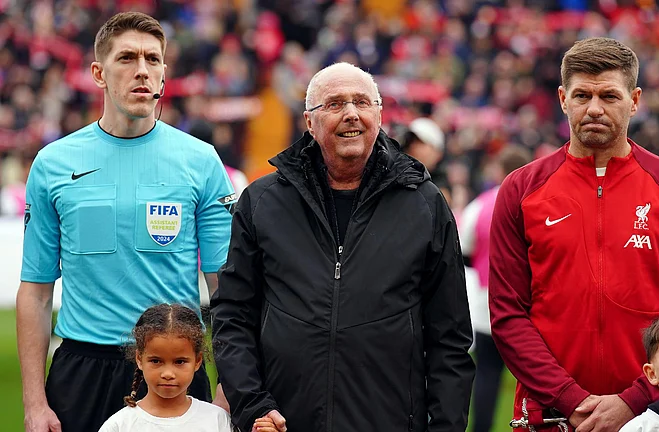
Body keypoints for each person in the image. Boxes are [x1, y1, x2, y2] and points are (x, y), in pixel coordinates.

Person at [211, 62, 475, 432]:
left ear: (379, 115)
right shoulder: (263, 201)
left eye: (362, 102)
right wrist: (253, 405)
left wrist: (445, 427)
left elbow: (450, 336)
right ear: (309, 122)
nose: (351, 113)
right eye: (335, 104)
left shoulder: (425, 204)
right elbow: (233, 315)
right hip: (283, 423)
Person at [17, 12, 235, 432]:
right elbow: (37, 292)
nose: (142, 70)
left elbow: (226, 289)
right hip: (83, 369)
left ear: (164, 75)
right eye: (128, 58)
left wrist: (230, 384)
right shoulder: (54, 164)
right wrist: (33, 403)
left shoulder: (201, 161)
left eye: (153, 60)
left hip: (175, 366)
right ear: (98, 73)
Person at [489, 37, 659, 432]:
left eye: (609, 95)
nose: (594, 108)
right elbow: (508, 316)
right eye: (582, 95)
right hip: (551, 415)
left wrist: (631, 401)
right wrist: (569, 398)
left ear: (635, 100)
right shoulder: (521, 189)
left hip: (651, 416)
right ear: (563, 98)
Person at [459, 145, 531, 432]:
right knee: (532, 375)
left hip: (487, 302)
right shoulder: (535, 202)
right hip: (527, 303)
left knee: (487, 373)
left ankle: (481, 429)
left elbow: (464, 251)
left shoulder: (481, 204)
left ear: (499, 170)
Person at [98, 304, 238, 432]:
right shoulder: (120, 425)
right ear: (139, 359)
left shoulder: (217, 420)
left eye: (179, 362)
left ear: (197, 361)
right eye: (156, 361)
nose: (168, 374)